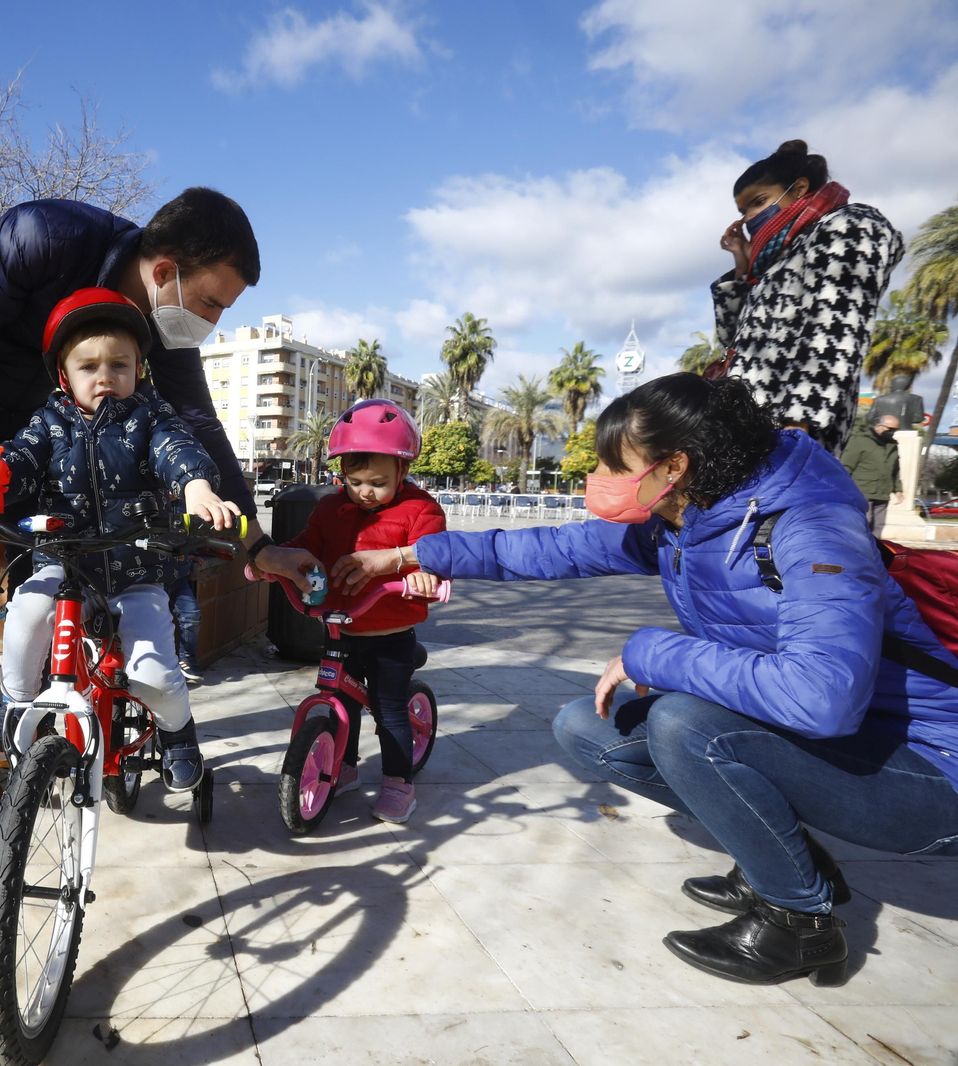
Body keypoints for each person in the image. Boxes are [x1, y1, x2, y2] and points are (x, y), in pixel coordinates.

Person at [402, 374, 958, 985]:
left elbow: (821, 699)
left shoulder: (812, 530)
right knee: (586, 726)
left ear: (674, 465)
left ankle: (798, 922)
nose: (600, 478)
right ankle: (784, 860)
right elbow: (549, 548)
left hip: (932, 771)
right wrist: (410, 556)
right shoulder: (685, 522)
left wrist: (655, 653)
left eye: (615, 464)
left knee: (686, 725)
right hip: (839, 749)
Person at [0, 188, 266, 813]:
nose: (211, 322)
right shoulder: (43, 235)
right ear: (164, 272)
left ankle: (82, 701)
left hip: (76, 439)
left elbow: (194, 430)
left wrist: (256, 539)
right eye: (210, 302)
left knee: (69, 566)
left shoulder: (154, 341)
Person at [252, 400, 447, 823]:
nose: (364, 492)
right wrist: (273, 560)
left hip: (390, 634)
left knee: (389, 710)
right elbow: (308, 545)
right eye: (354, 481)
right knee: (342, 699)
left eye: (377, 482)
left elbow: (435, 556)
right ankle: (345, 767)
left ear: (403, 471)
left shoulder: (422, 511)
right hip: (340, 628)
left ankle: (399, 782)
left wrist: (423, 574)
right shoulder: (330, 508)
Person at [711, 140, 904, 454]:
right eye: (742, 211)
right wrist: (743, 267)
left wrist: (799, 426)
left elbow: (837, 329)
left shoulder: (851, 225)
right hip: (743, 430)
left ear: (799, 188)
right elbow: (732, 347)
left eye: (758, 202)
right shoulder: (776, 261)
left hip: (790, 433)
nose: (747, 219)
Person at [840, 413, 902, 533]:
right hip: (862, 492)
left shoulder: (892, 445)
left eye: (896, 429)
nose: (893, 432)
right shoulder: (860, 441)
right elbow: (846, 466)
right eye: (890, 429)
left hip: (883, 493)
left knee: (878, 526)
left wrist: (898, 489)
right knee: (863, 525)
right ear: (878, 426)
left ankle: (875, 551)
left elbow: (895, 468)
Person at [168, 559, 203, 685]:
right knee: (157, 624)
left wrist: (188, 552)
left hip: (178, 577)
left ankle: (187, 659)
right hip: (151, 579)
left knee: (192, 615)